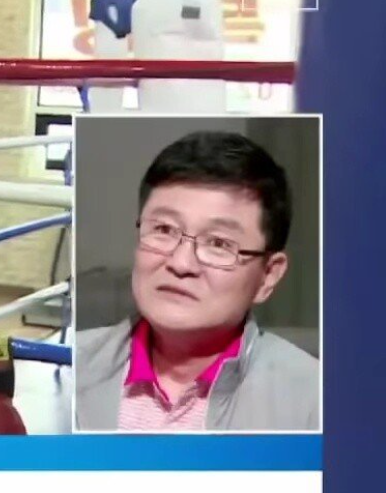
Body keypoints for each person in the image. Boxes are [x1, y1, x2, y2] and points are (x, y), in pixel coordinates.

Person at [76, 131, 320, 432]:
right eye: (164, 229)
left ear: (268, 275)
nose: (181, 264)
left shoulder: (315, 402)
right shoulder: (71, 366)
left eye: (219, 243)